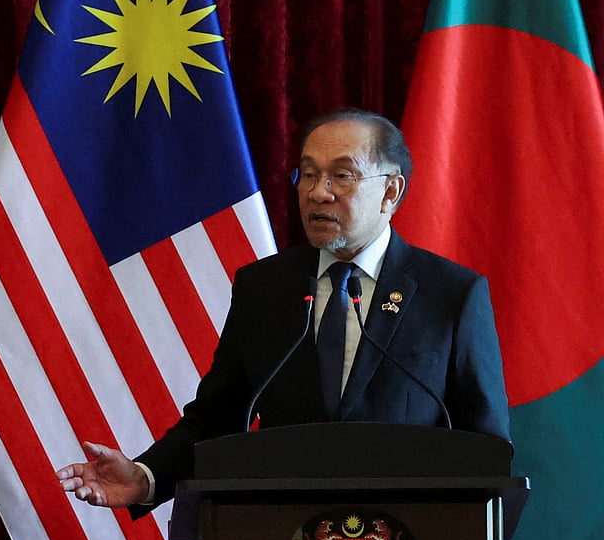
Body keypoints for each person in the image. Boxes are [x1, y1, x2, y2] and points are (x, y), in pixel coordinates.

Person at [57, 108, 510, 511]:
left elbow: (485, 446)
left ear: (390, 191)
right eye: (308, 175)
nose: (318, 193)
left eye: (342, 176)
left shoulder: (451, 294)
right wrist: (147, 476)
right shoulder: (265, 288)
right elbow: (219, 417)